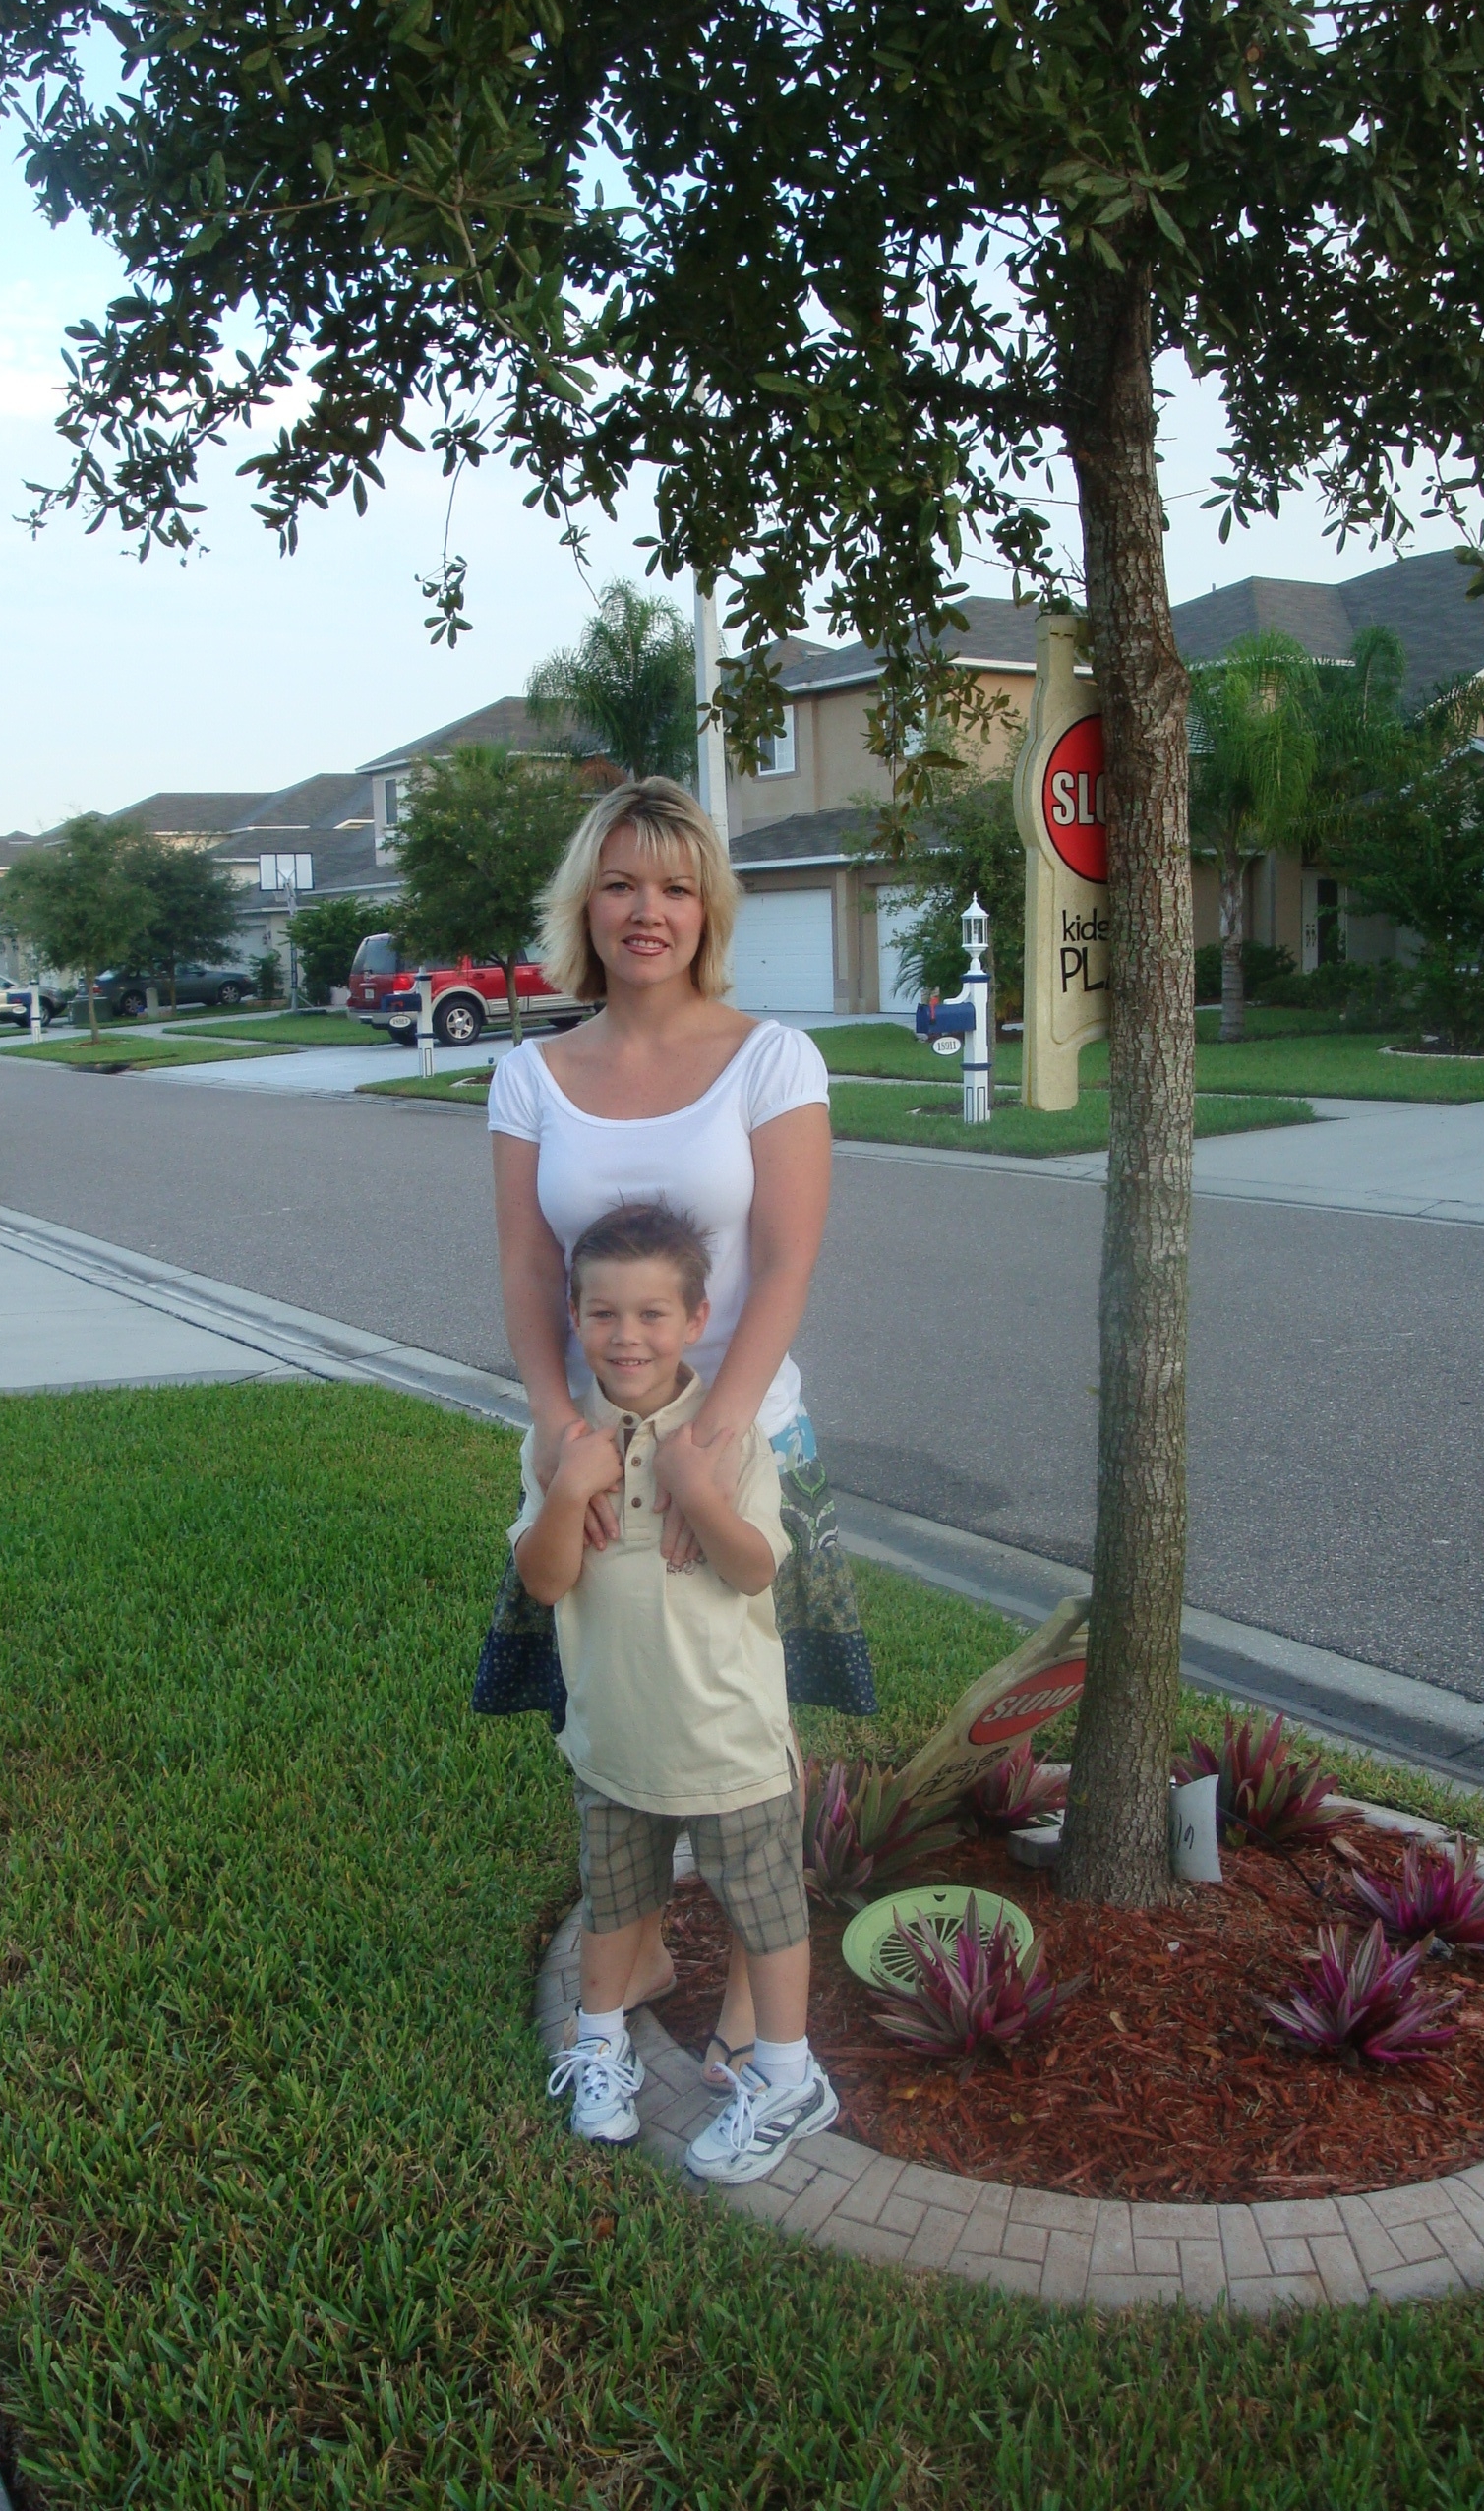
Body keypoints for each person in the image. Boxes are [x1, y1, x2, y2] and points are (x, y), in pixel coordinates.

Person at [478, 774, 875, 2080]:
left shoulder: (772, 1059)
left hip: (739, 1444)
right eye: (621, 884)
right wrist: (555, 1428)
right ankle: (638, 1949)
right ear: (583, 907)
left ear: (709, 911)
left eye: (675, 887)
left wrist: (718, 1438)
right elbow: (528, 1267)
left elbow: (792, 1258)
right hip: (595, 1453)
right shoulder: (531, 1075)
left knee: (754, 1715)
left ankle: (761, 1992)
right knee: (619, 1696)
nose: (648, 911)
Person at [519, 1201, 836, 2179]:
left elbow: (753, 1568)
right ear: (575, 1316)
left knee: (765, 1911)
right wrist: (569, 1489)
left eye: (653, 1314)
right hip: (613, 1736)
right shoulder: (561, 1441)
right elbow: (545, 1581)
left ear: (697, 1320)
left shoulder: (727, 1439)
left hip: (728, 1738)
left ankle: (789, 2076)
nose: (628, 1336)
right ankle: (601, 2048)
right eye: (604, 1313)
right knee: (614, 1904)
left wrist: (696, 1488)